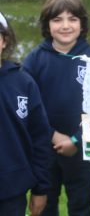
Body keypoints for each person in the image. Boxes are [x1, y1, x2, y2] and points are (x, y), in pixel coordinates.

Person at [22, 0, 90, 216]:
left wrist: (75, 139)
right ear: (47, 25)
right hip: (44, 147)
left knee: (81, 204)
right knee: (45, 204)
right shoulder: (34, 60)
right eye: (57, 19)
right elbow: (26, 108)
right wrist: (53, 135)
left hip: (81, 147)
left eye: (72, 19)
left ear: (82, 23)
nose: (65, 26)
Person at [0, 12, 51, 216]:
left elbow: (40, 138)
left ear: (4, 40)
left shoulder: (23, 83)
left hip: (11, 191)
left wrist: (41, 188)